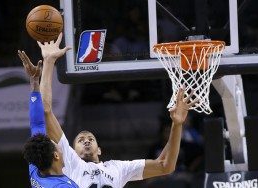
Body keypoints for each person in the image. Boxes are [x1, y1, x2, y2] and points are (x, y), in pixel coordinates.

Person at [21, 33, 196, 187]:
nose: (87, 140)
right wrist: (49, 62)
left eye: (90, 138)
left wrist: (177, 124)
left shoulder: (118, 168)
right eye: (81, 139)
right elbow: (45, 112)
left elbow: (165, 166)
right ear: (68, 152)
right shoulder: (70, 162)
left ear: (99, 150)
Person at [18, 50, 78, 188]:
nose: (60, 147)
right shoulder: (61, 186)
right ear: (56, 156)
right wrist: (33, 81)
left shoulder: (38, 168)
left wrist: (34, 80)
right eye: (57, 145)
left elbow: (37, 123)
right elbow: (36, 123)